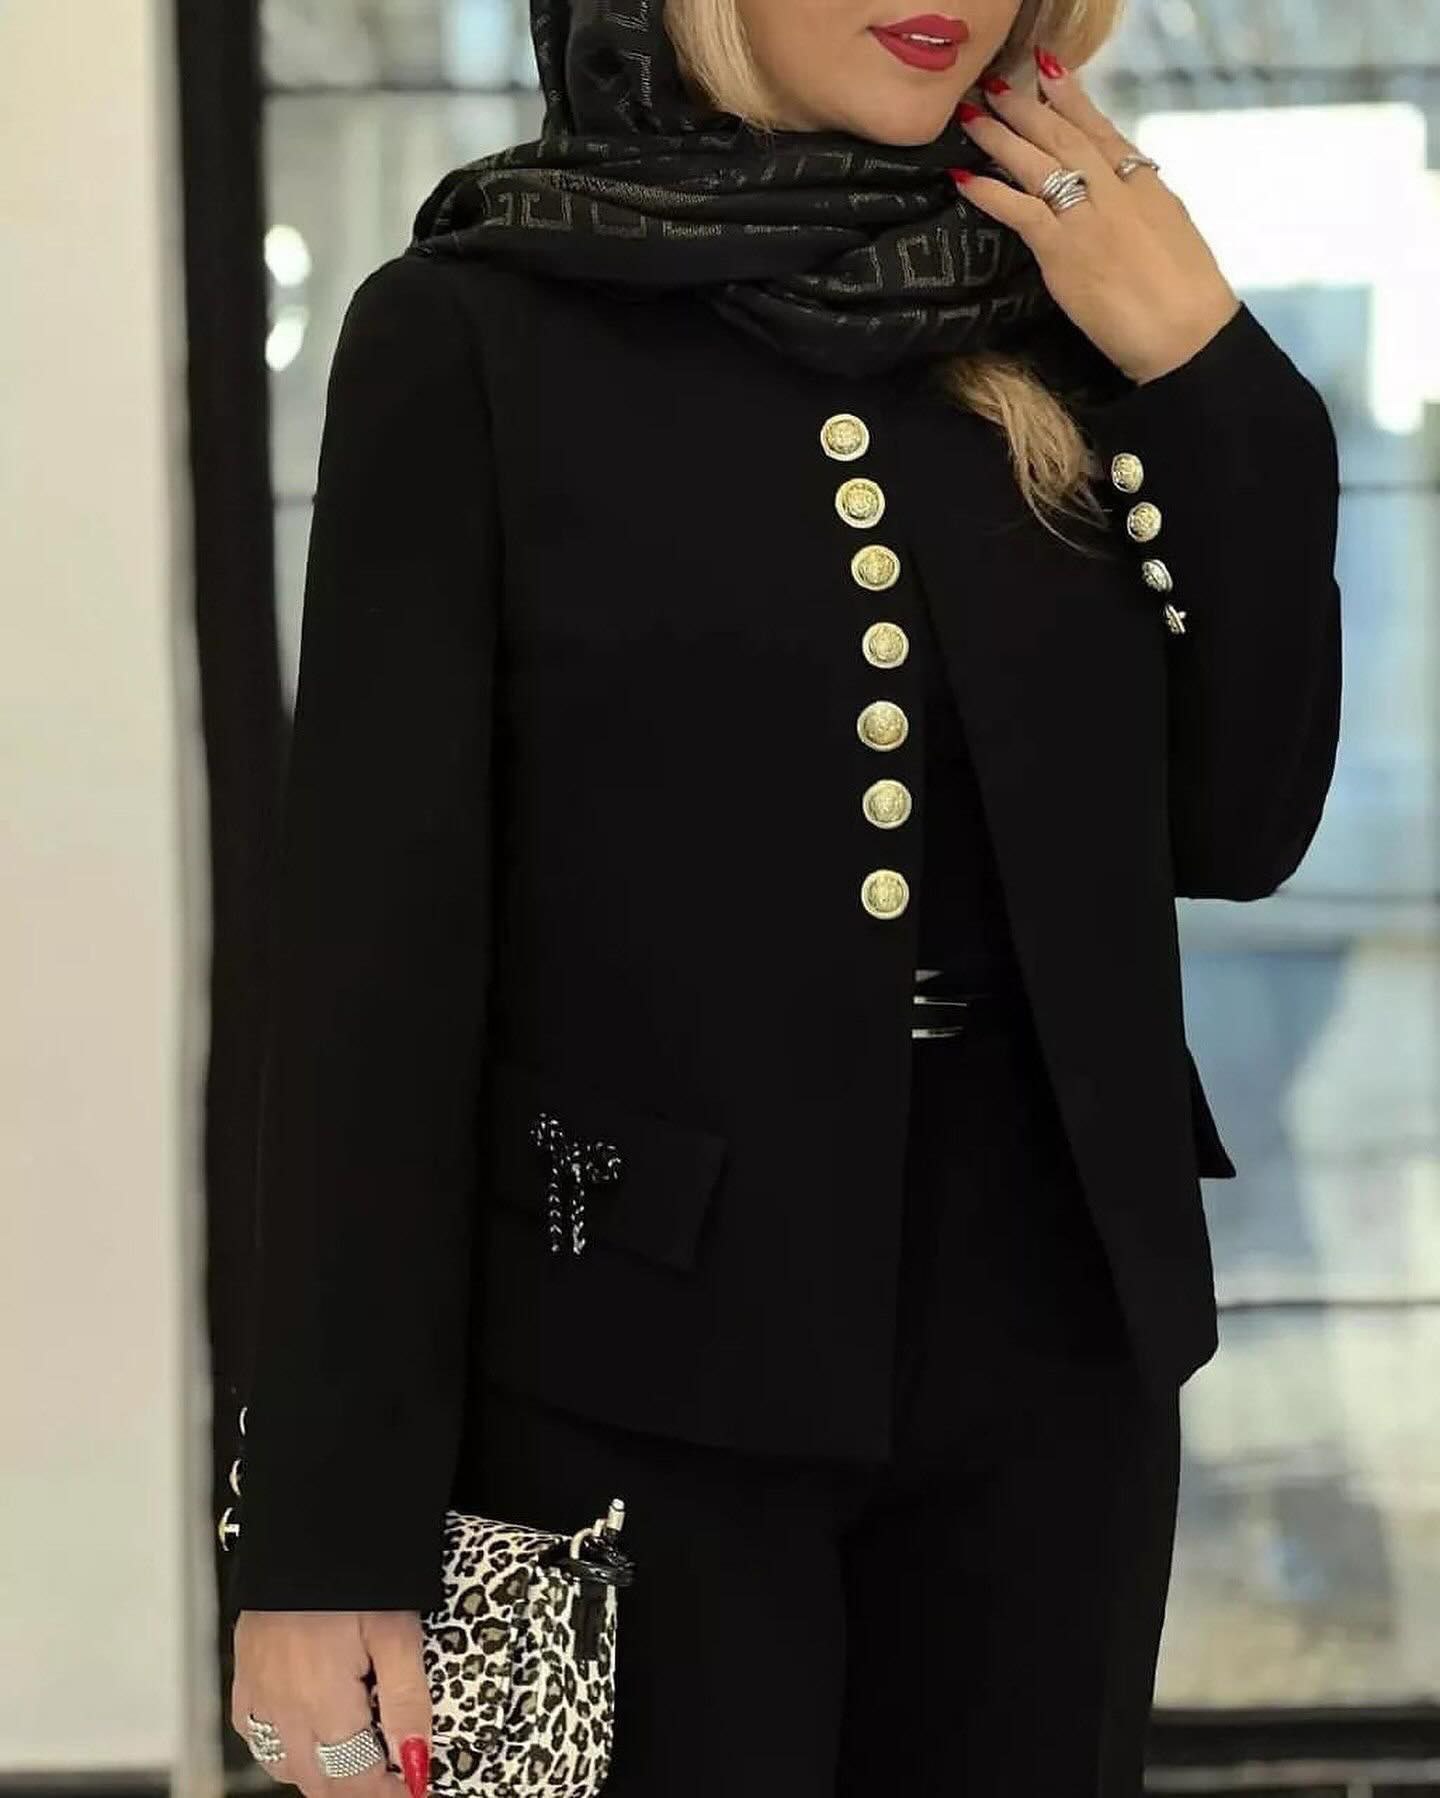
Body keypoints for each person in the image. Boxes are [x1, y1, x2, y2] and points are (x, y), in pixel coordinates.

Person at [223, 0, 1343, 1793]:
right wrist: (320, 1535)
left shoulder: (1067, 312)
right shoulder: (474, 332)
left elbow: (1242, 824)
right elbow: (372, 974)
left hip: (1050, 1358)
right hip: (628, 1372)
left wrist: (1215, 375)